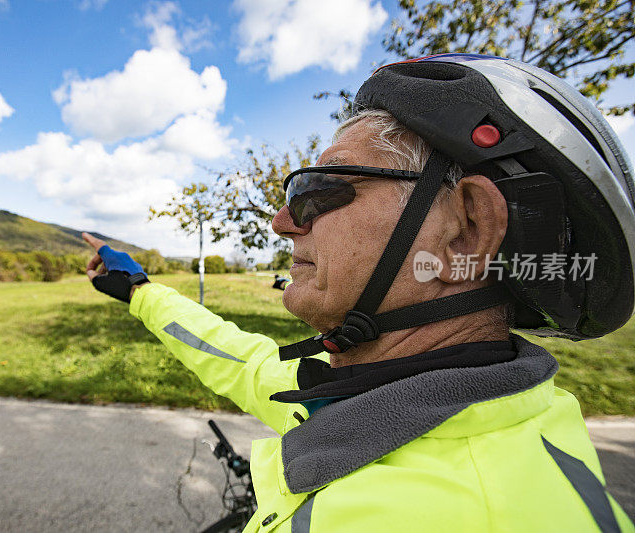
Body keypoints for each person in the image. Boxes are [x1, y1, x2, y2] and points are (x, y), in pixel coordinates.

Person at [82, 54, 635, 532]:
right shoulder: (393, 393)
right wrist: (139, 290)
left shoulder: (440, 513)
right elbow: (246, 364)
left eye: (318, 188)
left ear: (464, 229)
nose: (282, 221)